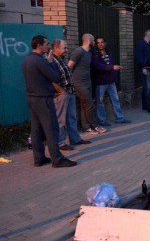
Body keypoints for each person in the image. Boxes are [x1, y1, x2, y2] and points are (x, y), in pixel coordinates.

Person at [21, 35, 76, 168]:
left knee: (36, 129)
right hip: (43, 99)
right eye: (46, 44)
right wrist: (51, 62)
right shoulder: (41, 61)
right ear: (39, 45)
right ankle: (57, 159)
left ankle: (39, 158)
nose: (48, 46)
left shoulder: (27, 60)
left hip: (32, 98)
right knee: (51, 129)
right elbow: (56, 77)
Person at [50, 39, 91, 151]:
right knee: (60, 119)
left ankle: (75, 138)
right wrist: (61, 92)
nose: (66, 50)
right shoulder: (51, 61)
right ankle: (61, 142)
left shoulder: (61, 59)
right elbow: (52, 79)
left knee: (71, 117)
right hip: (61, 95)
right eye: (64, 48)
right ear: (56, 48)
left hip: (69, 92)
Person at [68, 34, 107, 135]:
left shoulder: (89, 53)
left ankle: (86, 127)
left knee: (84, 105)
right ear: (89, 41)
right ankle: (95, 126)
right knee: (90, 104)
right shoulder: (78, 51)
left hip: (87, 82)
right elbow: (69, 66)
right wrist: (68, 80)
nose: (95, 43)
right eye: (94, 40)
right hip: (79, 83)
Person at [92, 36, 132, 126]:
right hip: (101, 82)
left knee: (115, 100)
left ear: (105, 43)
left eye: (102, 42)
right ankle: (101, 121)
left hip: (111, 81)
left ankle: (120, 118)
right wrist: (112, 67)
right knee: (100, 102)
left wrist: (113, 73)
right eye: (98, 43)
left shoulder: (109, 52)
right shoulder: (95, 54)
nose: (100, 44)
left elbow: (112, 64)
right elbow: (98, 66)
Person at [136, 29, 150, 114]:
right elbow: (139, 56)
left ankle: (145, 105)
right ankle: (148, 106)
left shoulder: (149, 44)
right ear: (148, 35)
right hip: (146, 68)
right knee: (147, 88)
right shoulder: (140, 44)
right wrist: (143, 67)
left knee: (147, 87)